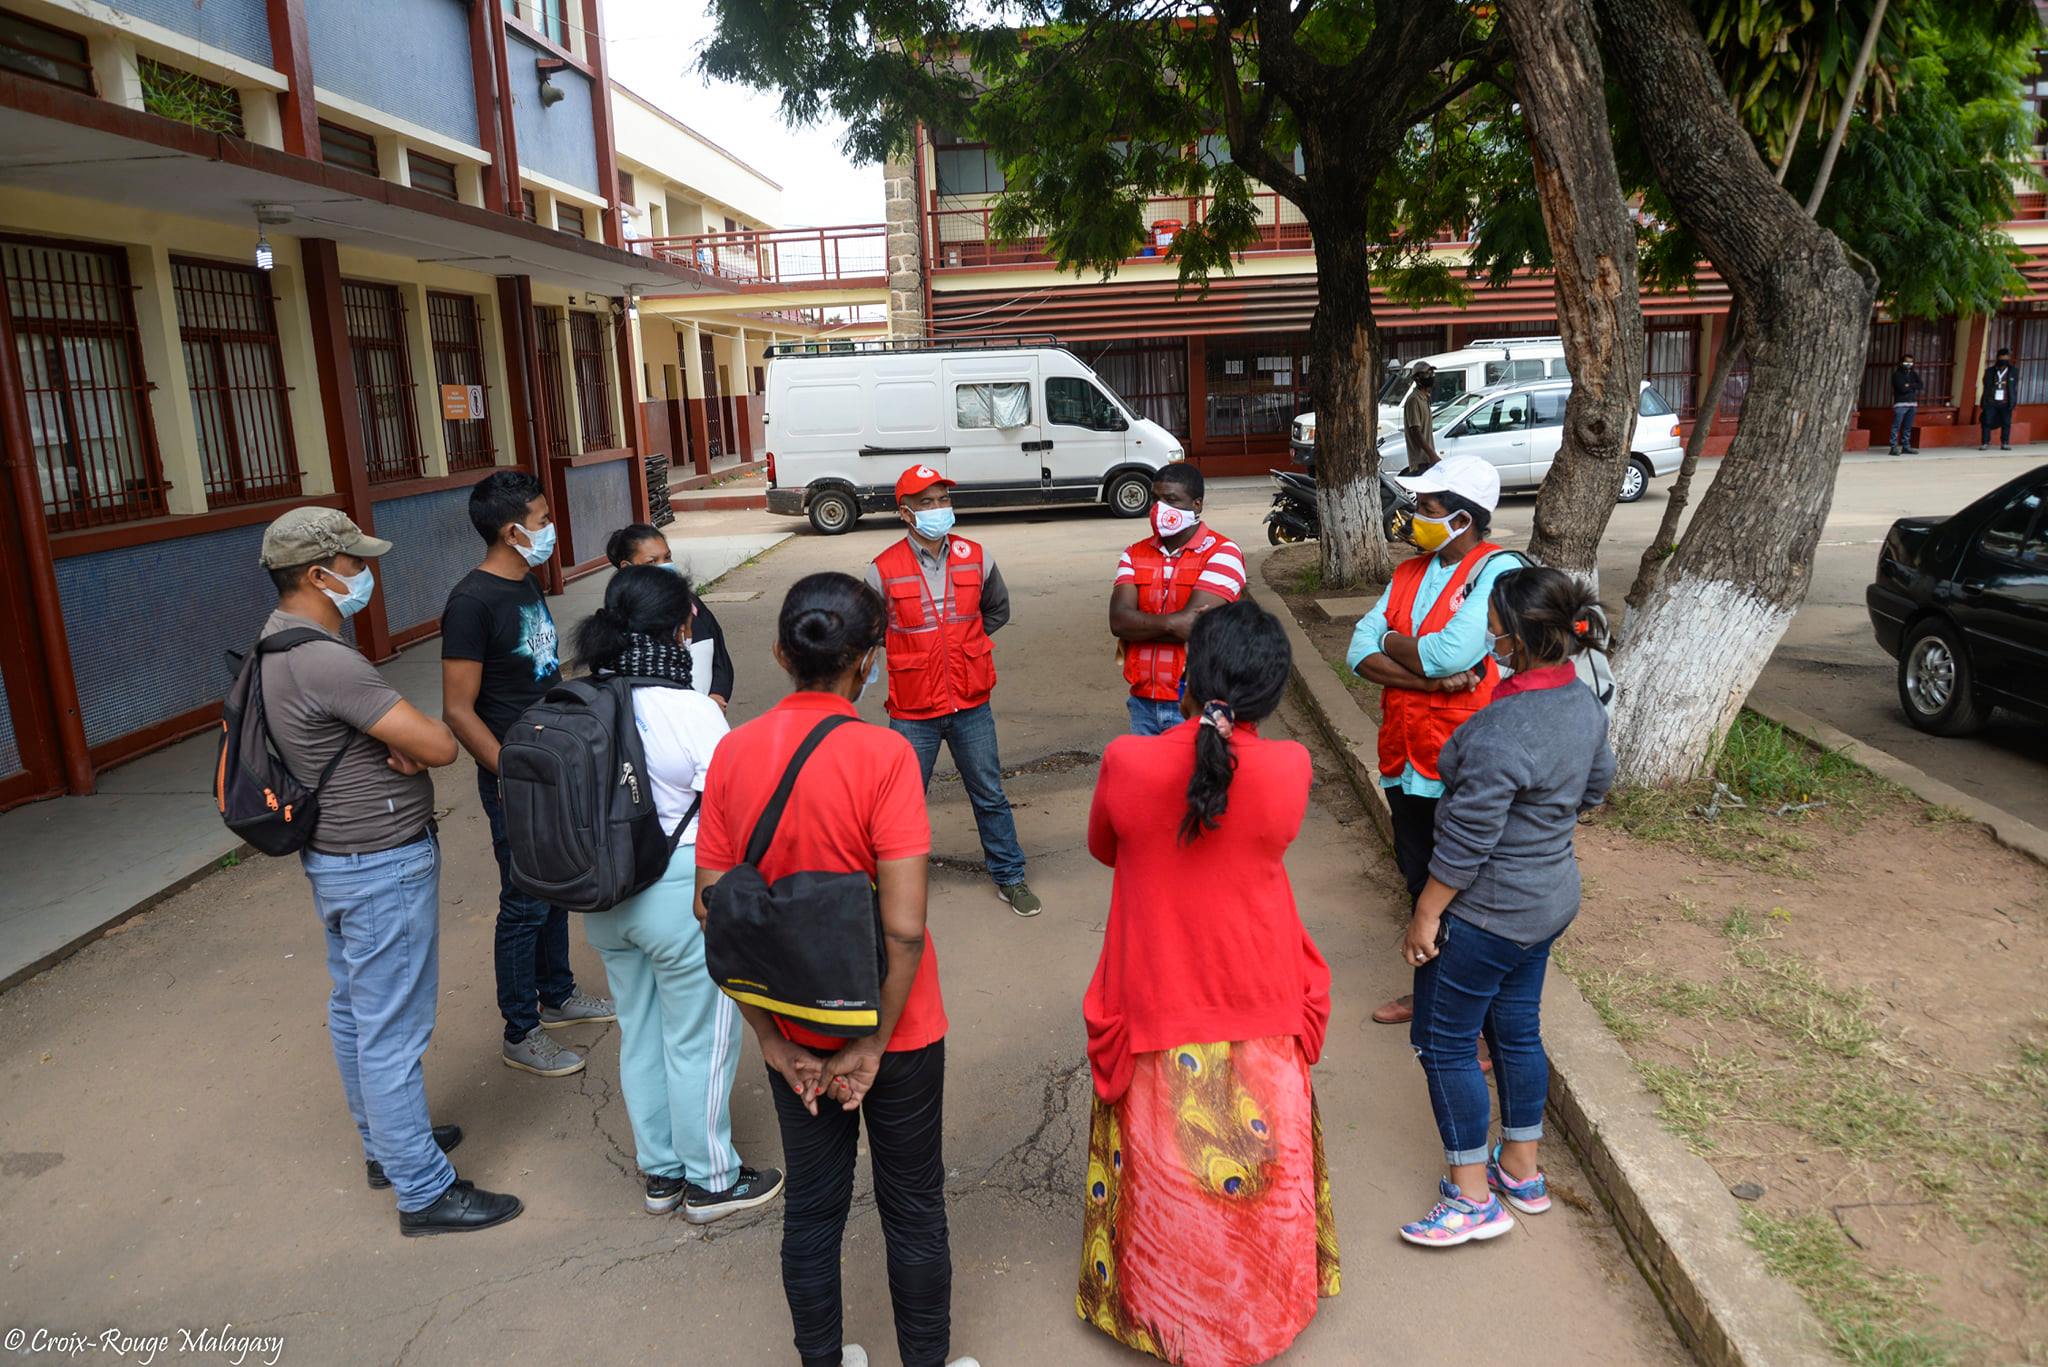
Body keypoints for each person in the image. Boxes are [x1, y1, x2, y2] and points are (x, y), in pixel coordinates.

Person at [694, 573, 978, 1367]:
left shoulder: (734, 752)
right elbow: (904, 928)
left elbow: (714, 913)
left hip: (791, 1019)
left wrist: (773, 1042)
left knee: (813, 1213)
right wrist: (876, 1043)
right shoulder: (885, 754)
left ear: (782, 652)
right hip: (900, 1024)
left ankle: (823, 1359)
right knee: (914, 1202)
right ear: (870, 661)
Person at [1078, 600, 1339, 1366]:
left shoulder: (1128, 761)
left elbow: (1104, 846)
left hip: (1160, 993)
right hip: (1262, 992)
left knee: (1171, 1181)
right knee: (1261, 1171)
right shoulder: (1291, 768)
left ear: (1187, 678)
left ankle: (1175, 1322)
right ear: (1274, 692)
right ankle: (1261, 1314)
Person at [258, 507, 522, 1236]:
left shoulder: (277, 642)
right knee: (392, 1030)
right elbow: (439, 743)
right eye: (352, 565)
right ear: (318, 575)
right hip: (380, 861)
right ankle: (423, 1190)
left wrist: (394, 739)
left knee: (357, 1011)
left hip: (340, 857)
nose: (363, 576)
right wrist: (412, 740)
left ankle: (389, 1146)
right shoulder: (326, 658)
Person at [1397, 566, 1614, 1248]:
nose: (1486, 634)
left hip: (1485, 914)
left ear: (1515, 639)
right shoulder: (1582, 701)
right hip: (1549, 899)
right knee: (1516, 1028)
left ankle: (1470, 1197)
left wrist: (1427, 912)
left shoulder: (1500, 729)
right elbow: (1599, 782)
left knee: (1445, 1041)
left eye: (1492, 623)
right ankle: (1521, 1168)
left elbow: (1464, 842)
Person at [572, 566, 784, 1222]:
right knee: (699, 1037)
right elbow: (733, 812)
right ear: (682, 628)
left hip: (604, 899)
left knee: (640, 1031)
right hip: (679, 895)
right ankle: (712, 1179)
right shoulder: (690, 708)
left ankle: (661, 1173)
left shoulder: (581, 699)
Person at [442, 470, 614, 1079]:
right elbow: (459, 710)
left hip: (553, 764)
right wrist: (510, 774)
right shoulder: (472, 601)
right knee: (523, 900)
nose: (550, 529)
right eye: (542, 520)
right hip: (519, 776)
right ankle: (521, 1028)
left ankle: (558, 993)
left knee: (557, 882)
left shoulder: (525, 583)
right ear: (512, 530)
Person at [1345, 454, 1518, 1028]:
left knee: (1467, 889)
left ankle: (1480, 1023)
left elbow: (1451, 653)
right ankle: (1433, 993)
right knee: (1418, 876)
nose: (1415, 516)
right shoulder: (1409, 571)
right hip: (1404, 755)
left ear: (1464, 520)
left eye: (1428, 509)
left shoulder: (1498, 571)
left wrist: (1397, 642)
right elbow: (1356, 652)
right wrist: (1428, 677)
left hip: (1463, 760)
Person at [862, 465, 1039, 919]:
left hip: (971, 702)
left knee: (989, 793)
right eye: (927, 503)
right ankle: (881, 886)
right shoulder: (882, 569)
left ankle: (1010, 877)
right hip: (912, 707)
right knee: (900, 803)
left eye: (943, 500)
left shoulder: (978, 556)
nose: (940, 509)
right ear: (906, 513)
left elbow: (996, 610)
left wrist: (964, 646)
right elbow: (870, 631)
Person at [1109, 463, 1247, 737]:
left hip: (1199, 703)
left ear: (1197, 505)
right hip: (1142, 702)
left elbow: (1196, 628)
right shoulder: (1133, 553)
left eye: (1171, 499)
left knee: (1199, 779)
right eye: (1156, 498)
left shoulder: (1223, 553)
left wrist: (1145, 625)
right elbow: (1119, 622)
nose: (1160, 508)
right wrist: (1175, 624)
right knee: (1150, 781)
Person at [603, 523, 735, 707]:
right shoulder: (621, 616)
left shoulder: (692, 604)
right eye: (652, 561)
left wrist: (716, 697)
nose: (664, 566)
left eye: (667, 557)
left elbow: (720, 657)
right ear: (627, 567)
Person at [1403, 362, 1441, 472]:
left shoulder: (1425, 398)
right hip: (1420, 462)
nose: (1431, 376)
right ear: (1417, 379)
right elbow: (1416, 431)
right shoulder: (1414, 400)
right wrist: (1432, 455)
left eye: (1432, 373)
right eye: (1427, 374)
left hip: (1428, 460)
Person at [1981, 346, 2019, 451]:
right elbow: (1985, 385)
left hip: (2006, 402)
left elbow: (2013, 386)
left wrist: (2013, 401)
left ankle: (2005, 443)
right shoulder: (1989, 371)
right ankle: (1985, 442)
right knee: (1986, 421)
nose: (2004, 360)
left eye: (2006, 358)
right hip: (1991, 401)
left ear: (2009, 359)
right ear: (1998, 358)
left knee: (2006, 423)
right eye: (2002, 358)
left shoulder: (2014, 371)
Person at [1888, 353, 1923, 455]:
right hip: (1900, 404)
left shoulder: (1914, 374)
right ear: (1901, 362)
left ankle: (1906, 446)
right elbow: (1902, 388)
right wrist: (1912, 386)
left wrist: (1909, 385)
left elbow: (1920, 385)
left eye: (1911, 362)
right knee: (1896, 426)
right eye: (1907, 361)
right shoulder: (1897, 375)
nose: (1909, 364)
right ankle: (1893, 447)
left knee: (1908, 426)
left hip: (1912, 404)